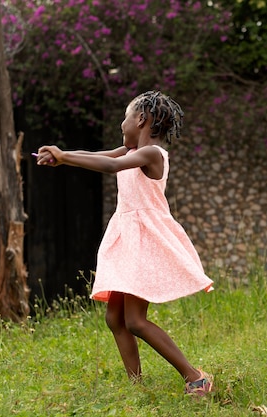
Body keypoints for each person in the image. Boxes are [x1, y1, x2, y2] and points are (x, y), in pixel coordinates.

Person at [35, 90, 214, 396]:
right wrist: (62, 157)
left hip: (144, 239)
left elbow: (110, 167)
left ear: (141, 119)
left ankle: (196, 377)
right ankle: (136, 385)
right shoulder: (128, 151)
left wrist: (64, 156)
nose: (122, 124)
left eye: (125, 118)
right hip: (127, 238)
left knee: (135, 320)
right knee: (115, 317)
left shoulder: (152, 154)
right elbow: (98, 157)